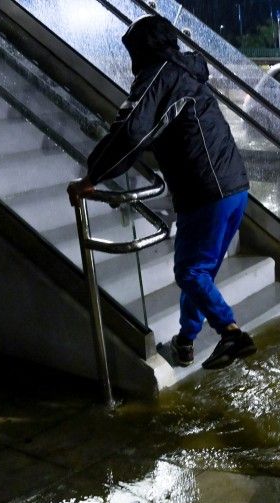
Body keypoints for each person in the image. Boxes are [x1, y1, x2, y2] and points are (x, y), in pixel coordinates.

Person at [67, 15, 255, 371]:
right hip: (232, 188)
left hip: (206, 191)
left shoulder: (160, 76)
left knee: (189, 273)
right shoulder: (186, 73)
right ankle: (185, 343)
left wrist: (94, 175)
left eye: (132, 52)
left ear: (144, 49)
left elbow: (131, 131)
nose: (131, 62)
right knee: (200, 274)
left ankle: (230, 332)